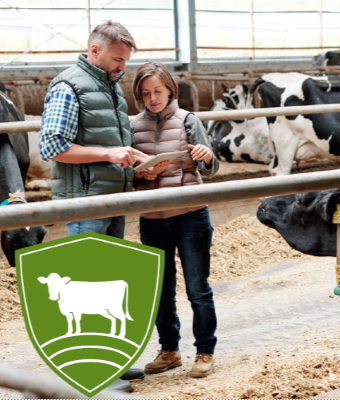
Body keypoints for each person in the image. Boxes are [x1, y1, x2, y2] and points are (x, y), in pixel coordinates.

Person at [39, 20, 148, 392]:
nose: (123, 68)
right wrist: (109, 152)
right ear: (95, 51)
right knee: (81, 293)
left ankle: (110, 365)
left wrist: (132, 156)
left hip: (111, 196)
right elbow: (52, 146)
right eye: (118, 60)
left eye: (126, 61)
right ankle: (90, 375)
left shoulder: (111, 88)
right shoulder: (70, 86)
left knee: (103, 289)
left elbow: (108, 142)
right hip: (84, 201)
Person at [131, 62, 219, 378]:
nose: (152, 98)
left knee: (197, 287)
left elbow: (212, 166)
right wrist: (140, 173)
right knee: (160, 289)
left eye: (157, 91)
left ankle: (205, 352)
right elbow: (128, 176)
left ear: (170, 89)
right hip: (152, 217)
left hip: (190, 215)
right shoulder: (133, 126)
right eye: (145, 93)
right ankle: (169, 350)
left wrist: (206, 156)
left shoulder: (188, 121)